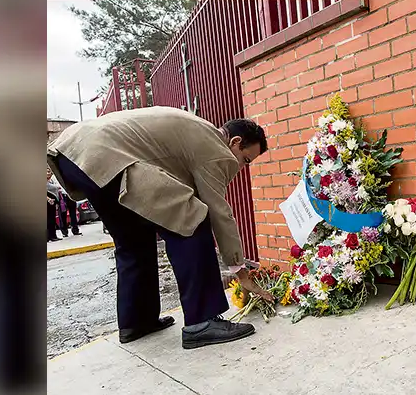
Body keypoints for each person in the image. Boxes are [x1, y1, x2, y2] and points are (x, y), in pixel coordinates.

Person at [47, 106, 269, 350]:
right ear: (235, 142)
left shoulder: (196, 131)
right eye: (245, 160)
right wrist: (240, 270)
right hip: (106, 154)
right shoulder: (216, 147)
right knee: (192, 218)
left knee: (134, 241)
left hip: (73, 153)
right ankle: (202, 322)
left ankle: (137, 322)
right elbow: (218, 211)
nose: (240, 168)